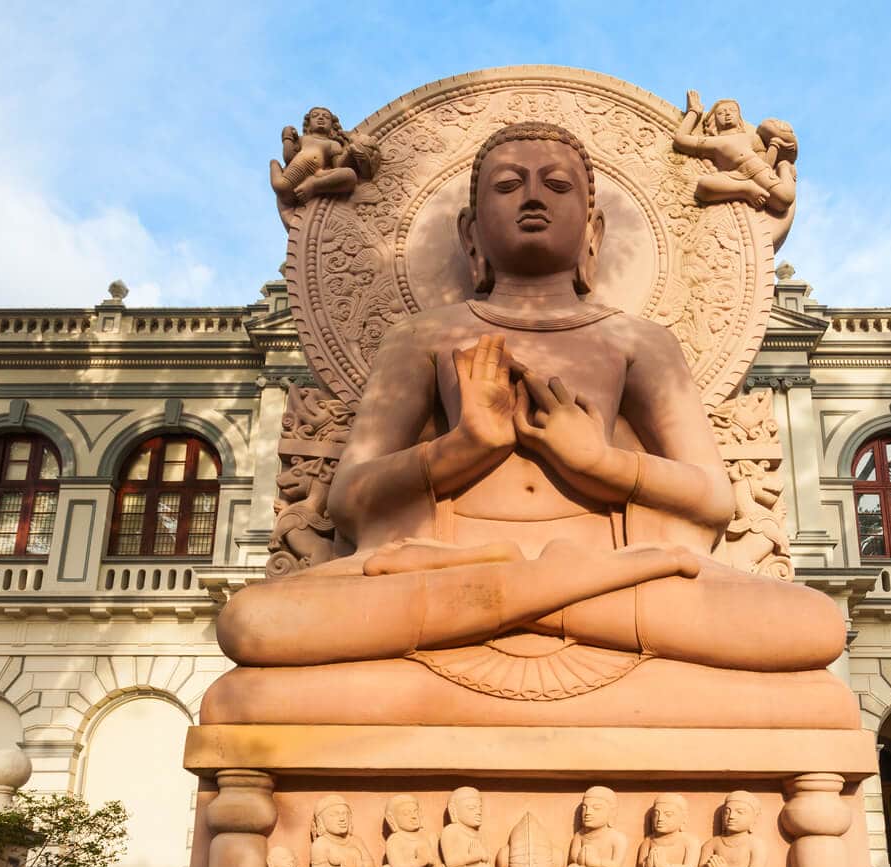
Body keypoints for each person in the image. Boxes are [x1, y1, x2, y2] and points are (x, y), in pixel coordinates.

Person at [215, 120, 845, 674]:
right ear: (470, 232)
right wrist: (464, 446)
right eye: (509, 185)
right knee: (251, 622)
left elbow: (711, 497)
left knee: (812, 625)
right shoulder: (422, 336)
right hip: (455, 566)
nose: (535, 197)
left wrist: (599, 462)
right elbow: (351, 501)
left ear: (592, 231)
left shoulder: (638, 341)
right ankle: (534, 604)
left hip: (605, 569)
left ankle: (512, 607)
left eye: (558, 185)